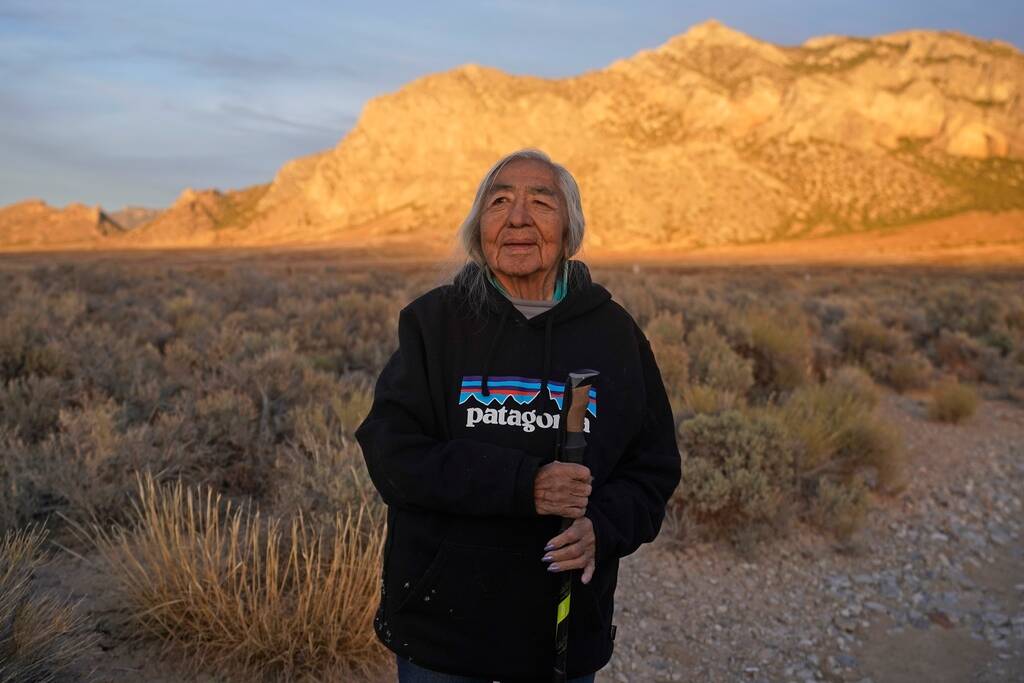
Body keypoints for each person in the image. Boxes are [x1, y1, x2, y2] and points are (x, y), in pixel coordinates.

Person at [355, 148, 681, 683]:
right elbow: (392, 454)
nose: (518, 218)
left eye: (541, 202)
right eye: (499, 201)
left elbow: (653, 469)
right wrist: (523, 485)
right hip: (440, 633)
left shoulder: (614, 335)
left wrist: (603, 527)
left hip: (561, 633)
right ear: (478, 229)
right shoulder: (433, 324)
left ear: (569, 230)